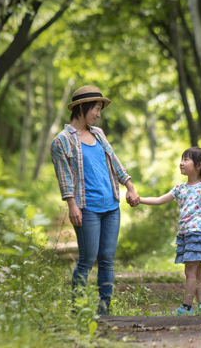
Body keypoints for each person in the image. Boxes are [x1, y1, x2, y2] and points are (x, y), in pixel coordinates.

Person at [50, 85, 139, 315]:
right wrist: (71, 205)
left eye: (100, 109)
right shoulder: (61, 141)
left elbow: (114, 161)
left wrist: (129, 186)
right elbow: (65, 177)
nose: (98, 114)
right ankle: (78, 308)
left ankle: (104, 308)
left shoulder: (98, 133)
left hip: (111, 206)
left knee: (107, 259)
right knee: (87, 259)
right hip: (86, 208)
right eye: (96, 109)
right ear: (82, 107)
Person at [136, 147, 201, 315]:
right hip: (185, 235)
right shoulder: (180, 188)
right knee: (197, 272)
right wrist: (139, 200)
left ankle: (186, 307)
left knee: (190, 272)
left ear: (199, 165)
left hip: (197, 234)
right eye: (182, 159)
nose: (181, 163)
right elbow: (159, 200)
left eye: (186, 160)